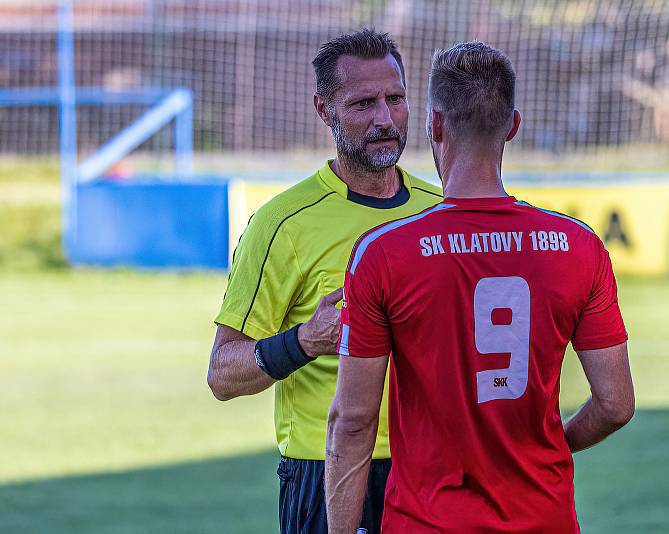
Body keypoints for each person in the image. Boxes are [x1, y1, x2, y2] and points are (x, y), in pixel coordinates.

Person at [325, 41, 635, 533]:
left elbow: (353, 421)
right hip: (545, 519)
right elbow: (616, 405)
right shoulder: (579, 247)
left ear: (435, 124)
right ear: (512, 124)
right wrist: (554, 444)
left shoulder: (383, 253)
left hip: (426, 522)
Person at [207, 29, 442, 533]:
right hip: (326, 470)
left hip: (431, 467)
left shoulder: (438, 210)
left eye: (395, 99)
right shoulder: (282, 224)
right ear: (323, 109)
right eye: (362, 103)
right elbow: (222, 374)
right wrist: (304, 340)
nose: (384, 118)